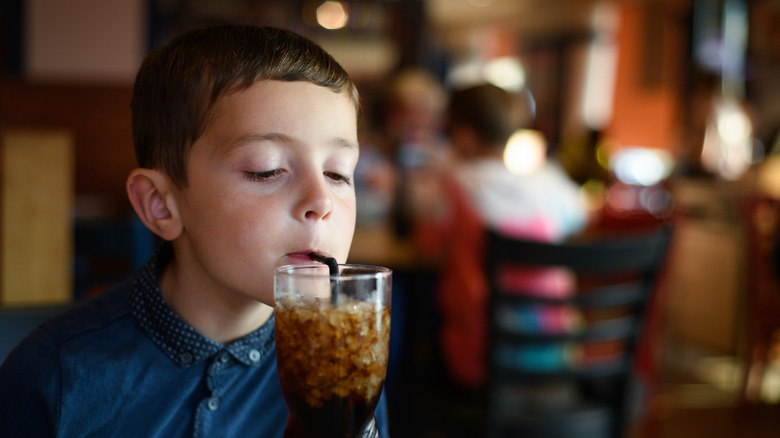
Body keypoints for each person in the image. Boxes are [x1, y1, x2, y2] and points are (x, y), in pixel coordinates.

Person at [0, 25, 390, 438]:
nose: (322, 201)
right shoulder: (56, 377)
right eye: (266, 169)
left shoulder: (342, 358)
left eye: (338, 173)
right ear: (160, 204)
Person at [411, 83, 589, 391]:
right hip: (555, 348)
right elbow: (581, 216)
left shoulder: (453, 186)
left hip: (481, 356)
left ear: (463, 135)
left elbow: (427, 248)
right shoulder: (546, 183)